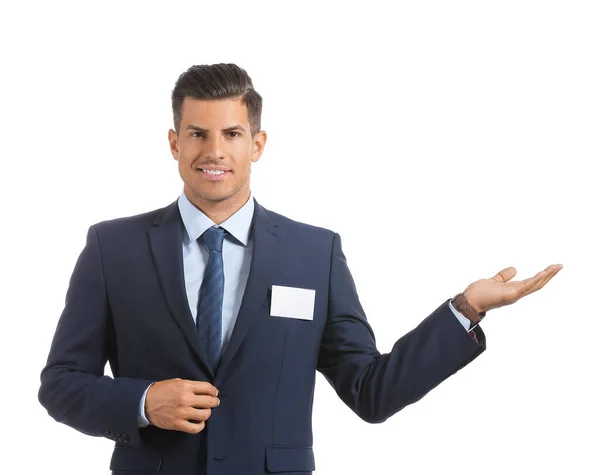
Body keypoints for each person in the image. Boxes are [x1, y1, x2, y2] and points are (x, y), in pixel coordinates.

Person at [38, 63, 562, 475]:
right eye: (197, 134)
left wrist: (465, 310)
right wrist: (144, 401)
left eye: (233, 134)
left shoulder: (315, 253)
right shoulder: (113, 247)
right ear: (174, 143)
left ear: (257, 144)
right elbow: (60, 384)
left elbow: (371, 392)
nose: (214, 151)